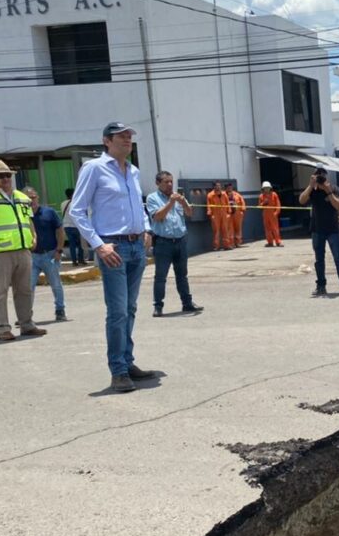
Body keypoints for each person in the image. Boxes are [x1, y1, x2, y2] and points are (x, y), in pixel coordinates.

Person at [69, 121, 156, 393]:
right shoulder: (94, 168)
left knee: (130, 308)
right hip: (113, 248)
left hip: (136, 246)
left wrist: (147, 227)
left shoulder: (132, 171)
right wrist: (98, 245)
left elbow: (138, 204)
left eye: (129, 136)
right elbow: (77, 211)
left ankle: (128, 362)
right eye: (121, 136)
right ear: (107, 141)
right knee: (117, 311)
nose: (127, 140)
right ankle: (118, 371)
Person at [0, 160, 47, 340]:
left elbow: (28, 219)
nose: (5, 179)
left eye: (7, 175)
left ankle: (27, 324)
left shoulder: (21, 196)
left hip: (22, 249)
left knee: (24, 290)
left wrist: (34, 236)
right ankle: (2, 328)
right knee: (0, 291)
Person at [146, 171, 204, 316]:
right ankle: (158, 306)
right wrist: (171, 202)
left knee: (182, 275)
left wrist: (183, 202)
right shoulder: (152, 198)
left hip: (180, 241)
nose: (170, 185)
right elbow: (158, 217)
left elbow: (190, 213)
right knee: (161, 276)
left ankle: (187, 303)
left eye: (171, 181)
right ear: (158, 183)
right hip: (163, 242)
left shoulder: (179, 198)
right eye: (166, 182)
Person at [299, 166, 339, 297]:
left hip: (332, 228)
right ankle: (321, 285)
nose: (320, 178)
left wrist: (328, 192)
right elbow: (302, 200)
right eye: (317, 175)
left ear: (326, 177)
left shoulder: (333, 188)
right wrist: (310, 186)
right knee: (319, 259)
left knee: (338, 257)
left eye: (322, 175)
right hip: (317, 229)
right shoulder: (312, 190)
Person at [25, 187, 66, 322]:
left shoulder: (49, 213)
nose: (31, 200)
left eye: (33, 197)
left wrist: (59, 250)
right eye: (28, 198)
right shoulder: (23, 215)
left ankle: (60, 310)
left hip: (50, 255)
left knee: (55, 285)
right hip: (31, 257)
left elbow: (60, 230)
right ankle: (26, 316)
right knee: (28, 287)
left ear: (37, 197)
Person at [59, 188, 87, 265]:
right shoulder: (75, 203)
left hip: (66, 226)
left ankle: (74, 261)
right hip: (75, 226)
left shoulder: (63, 203)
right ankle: (81, 259)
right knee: (80, 244)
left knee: (72, 244)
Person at [206, 181, 231, 251]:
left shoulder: (224, 194)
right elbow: (208, 205)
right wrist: (210, 213)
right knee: (216, 231)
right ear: (214, 187)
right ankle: (216, 246)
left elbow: (227, 203)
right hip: (215, 215)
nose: (218, 187)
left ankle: (227, 245)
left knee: (225, 230)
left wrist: (228, 212)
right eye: (217, 186)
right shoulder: (210, 195)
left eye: (219, 185)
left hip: (224, 214)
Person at [258, 181, 282, 247]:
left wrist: (276, 212)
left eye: (268, 188)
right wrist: (263, 203)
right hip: (265, 214)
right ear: (263, 189)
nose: (266, 189)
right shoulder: (261, 196)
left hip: (273, 213)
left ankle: (278, 242)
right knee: (267, 229)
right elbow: (259, 206)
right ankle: (270, 242)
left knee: (275, 228)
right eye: (265, 188)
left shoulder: (274, 194)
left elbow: (278, 204)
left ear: (270, 188)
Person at [226, 181, 245, 247]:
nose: (229, 189)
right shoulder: (224, 196)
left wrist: (242, 210)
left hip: (237, 214)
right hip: (229, 214)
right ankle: (231, 243)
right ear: (226, 188)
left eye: (230, 187)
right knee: (230, 229)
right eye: (228, 188)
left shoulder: (237, 195)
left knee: (238, 228)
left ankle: (238, 242)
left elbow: (242, 202)